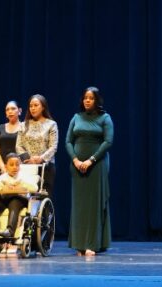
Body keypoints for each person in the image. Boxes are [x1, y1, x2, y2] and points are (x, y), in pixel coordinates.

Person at [66, 87, 113, 256]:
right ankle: (79, 244)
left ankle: (92, 244)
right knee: (79, 206)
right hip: (77, 166)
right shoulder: (76, 117)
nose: (87, 100)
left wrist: (91, 160)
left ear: (97, 100)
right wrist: (76, 160)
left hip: (97, 165)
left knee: (94, 205)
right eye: (85, 97)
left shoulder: (104, 118)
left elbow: (108, 141)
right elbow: (68, 141)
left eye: (91, 98)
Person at [0, 153, 38, 239]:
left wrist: (21, 185)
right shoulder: (3, 178)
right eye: (11, 165)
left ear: (20, 166)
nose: (14, 167)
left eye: (17, 165)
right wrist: (3, 187)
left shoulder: (23, 177)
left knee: (14, 202)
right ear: (6, 167)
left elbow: (35, 188)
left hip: (19, 200)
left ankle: (10, 230)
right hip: (5, 199)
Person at [15, 94, 59, 194]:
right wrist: (28, 159)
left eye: (36, 105)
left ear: (43, 107)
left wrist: (40, 158)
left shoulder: (51, 124)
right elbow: (18, 145)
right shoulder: (23, 125)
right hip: (27, 167)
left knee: (43, 197)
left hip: (45, 167)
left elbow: (53, 146)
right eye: (31, 106)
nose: (33, 108)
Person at [0, 101, 23, 174]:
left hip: (18, 169)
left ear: (19, 111)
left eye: (13, 109)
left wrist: (16, 167)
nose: (10, 111)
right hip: (3, 169)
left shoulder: (24, 127)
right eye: (7, 109)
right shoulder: (1, 127)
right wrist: (3, 167)